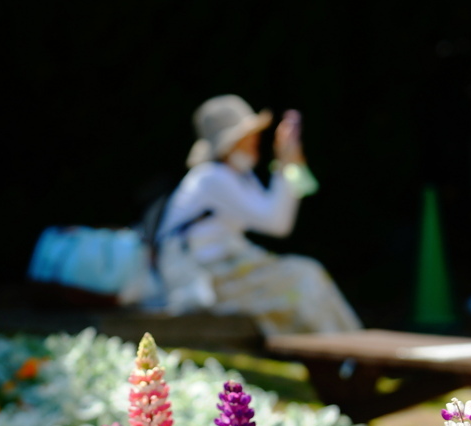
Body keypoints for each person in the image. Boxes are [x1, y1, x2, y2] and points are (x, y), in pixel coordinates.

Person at [139, 94, 362, 335]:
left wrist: (292, 165)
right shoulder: (212, 177)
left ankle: (351, 352)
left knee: (306, 274)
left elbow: (283, 211)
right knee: (304, 276)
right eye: (247, 134)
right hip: (202, 280)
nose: (255, 139)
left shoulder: (238, 176)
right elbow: (278, 223)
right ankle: (346, 356)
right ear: (228, 142)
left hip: (223, 272)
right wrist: (285, 163)